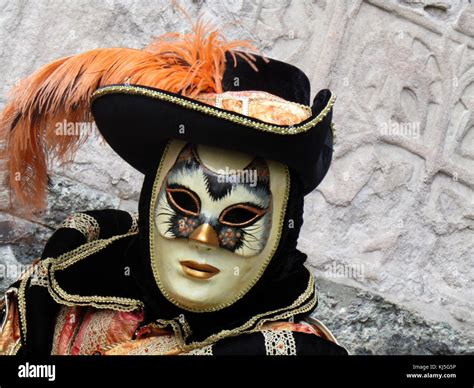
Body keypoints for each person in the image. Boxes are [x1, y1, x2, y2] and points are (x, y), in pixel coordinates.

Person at [0, 22, 346, 355]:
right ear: (152, 196)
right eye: (183, 201)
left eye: (241, 214)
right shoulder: (65, 291)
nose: (204, 238)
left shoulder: (286, 349)